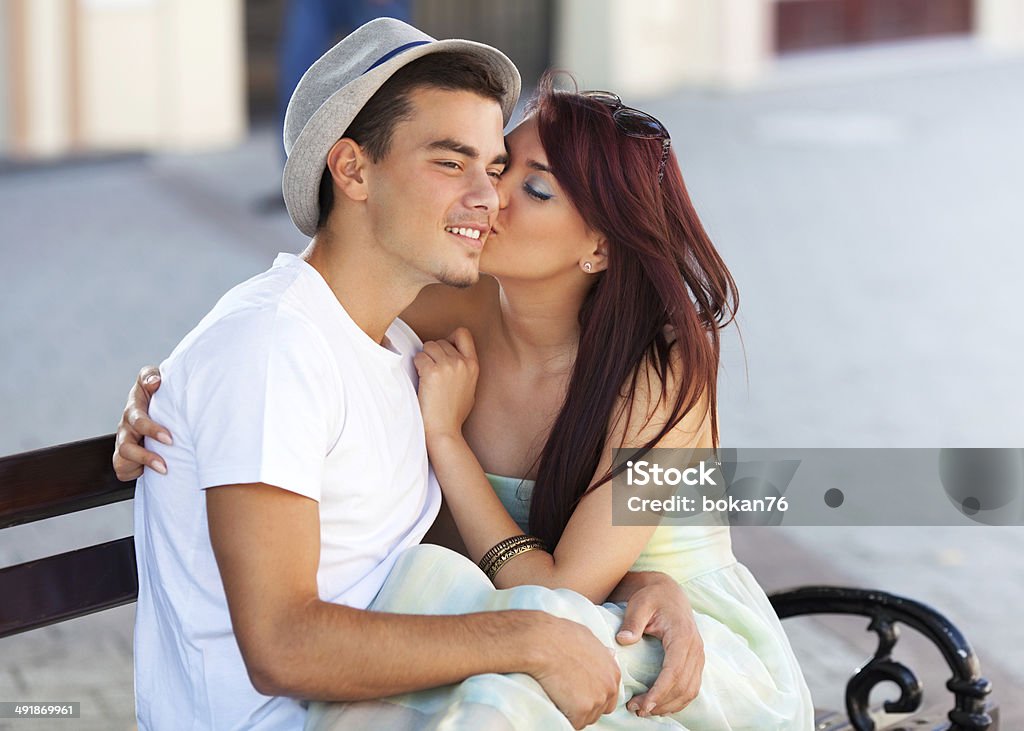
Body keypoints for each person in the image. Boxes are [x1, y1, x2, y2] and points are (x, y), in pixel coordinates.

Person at [116, 69, 815, 731]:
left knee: (511, 686)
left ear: (598, 248)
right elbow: (286, 333)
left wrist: (450, 445)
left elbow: (561, 592)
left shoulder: (658, 368)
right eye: (495, 169)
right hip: (536, 627)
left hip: (666, 644)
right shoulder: (443, 307)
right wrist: (167, 393)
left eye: (532, 190)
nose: (489, 197)